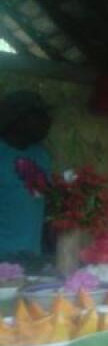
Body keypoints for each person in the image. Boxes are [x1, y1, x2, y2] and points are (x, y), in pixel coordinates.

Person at [0, 90, 52, 259]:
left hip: (32, 255)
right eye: (39, 116)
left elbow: (42, 201)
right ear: (18, 120)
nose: (47, 121)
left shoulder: (41, 155)